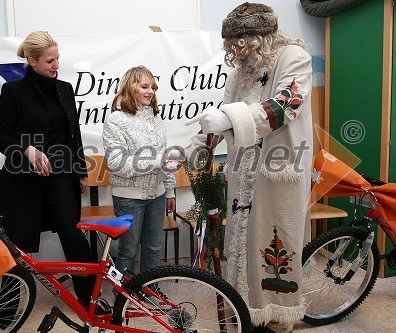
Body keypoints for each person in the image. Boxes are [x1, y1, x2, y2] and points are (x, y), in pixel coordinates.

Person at [185, 3, 313, 333]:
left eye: (243, 43)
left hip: (278, 171)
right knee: (241, 246)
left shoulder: (293, 58)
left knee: (275, 242)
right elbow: (221, 117)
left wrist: (228, 117)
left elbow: (287, 105)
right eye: (232, 45)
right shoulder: (241, 70)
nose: (237, 51)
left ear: (262, 37)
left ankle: (276, 319)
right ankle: (247, 312)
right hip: (244, 172)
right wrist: (197, 145)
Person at [0, 31, 95, 306]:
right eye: (50, 60)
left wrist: (81, 171)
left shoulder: (65, 89)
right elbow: (0, 135)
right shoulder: (13, 92)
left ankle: (90, 300)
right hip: (23, 181)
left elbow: (75, 134)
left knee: (73, 236)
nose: (56, 64)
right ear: (32, 61)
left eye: (57, 58)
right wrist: (26, 149)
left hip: (61, 176)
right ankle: (7, 308)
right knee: (19, 245)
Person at [103, 66, 177, 276]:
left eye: (152, 87)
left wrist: (170, 190)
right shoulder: (116, 120)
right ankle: (123, 298)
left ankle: (149, 292)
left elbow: (164, 160)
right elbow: (117, 163)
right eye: (144, 86)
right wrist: (158, 160)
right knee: (128, 250)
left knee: (153, 250)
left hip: (158, 195)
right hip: (129, 198)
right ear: (130, 88)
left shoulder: (156, 118)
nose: (150, 91)